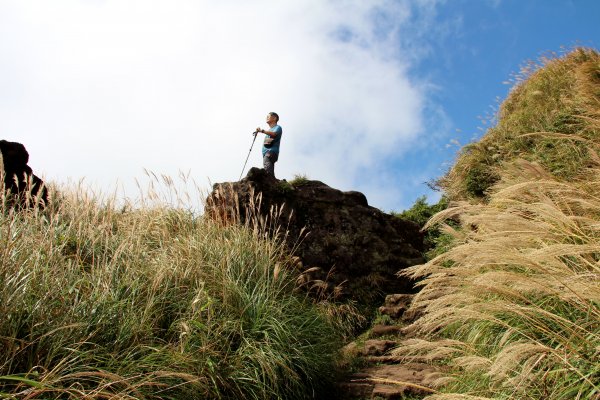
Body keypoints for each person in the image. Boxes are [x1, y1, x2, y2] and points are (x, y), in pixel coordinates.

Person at [256, 112, 282, 178]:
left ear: (274, 118)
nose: (267, 118)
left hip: (271, 152)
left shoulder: (278, 127)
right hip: (267, 153)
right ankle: (273, 181)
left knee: (267, 167)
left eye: (268, 116)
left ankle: (269, 180)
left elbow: (274, 134)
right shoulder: (269, 130)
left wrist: (262, 130)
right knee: (268, 166)